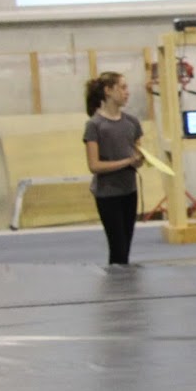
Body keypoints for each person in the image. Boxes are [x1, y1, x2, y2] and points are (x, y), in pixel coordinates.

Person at [80, 71, 145, 267]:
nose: (127, 92)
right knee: (117, 247)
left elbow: (138, 155)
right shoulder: (95, 125)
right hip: (108, 194)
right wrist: (127, 161)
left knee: (126, 247)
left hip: (129, 191)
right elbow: (94, 165)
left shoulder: (132, 122)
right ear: (108, 91)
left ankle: (123, 285)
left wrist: (140, 160)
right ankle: (118, 289)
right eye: (123, 88)